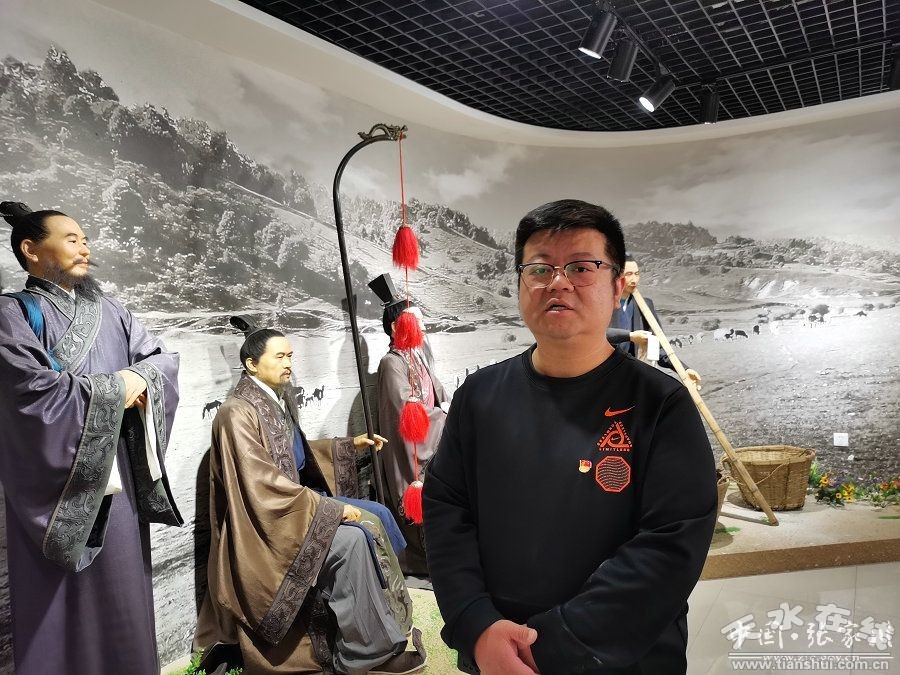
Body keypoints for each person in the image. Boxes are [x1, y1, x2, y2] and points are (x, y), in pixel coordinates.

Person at [424, 200, 717, 674]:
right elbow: (446, 511)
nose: (558, 282)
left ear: (617, 287)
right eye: (540, 268)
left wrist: (549, 648)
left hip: (622, 657)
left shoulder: (662, 403)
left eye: (581, 267)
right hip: (498, 651)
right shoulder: (478, 396)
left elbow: (670, 544)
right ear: (520, 284)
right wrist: (477, 625)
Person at [0, 201, 182, 674]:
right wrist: (117, 388)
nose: (85, 248)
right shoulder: (12, 313)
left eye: (85, 240)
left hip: (118, 477)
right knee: (56, 605)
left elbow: (160, 359)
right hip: (58, 488)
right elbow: (29, 394)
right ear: (31, 250)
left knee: (122, 592)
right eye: (71, 240)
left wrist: (142, 379)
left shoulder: (112, 310)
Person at [195, 321, 426, 674]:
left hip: (294, 505)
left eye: (290, 356)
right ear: (251, 364)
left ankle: (385, 621)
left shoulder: (275, 402)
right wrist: (329, 509)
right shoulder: (235, 414)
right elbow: (259, 486)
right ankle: (362, 656)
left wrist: (347, 445)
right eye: (280, 357)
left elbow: (294, 457)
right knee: (351, 542)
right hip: (264, 526)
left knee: (378, 513)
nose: (289, 363)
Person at [369, 273, 449, 576]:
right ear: (395, 327)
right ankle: (421, 563)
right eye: (418, 322)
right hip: (413, 450)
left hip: (433, 441)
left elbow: (440, 395)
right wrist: (444, 417)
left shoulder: (416, 357)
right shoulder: (392, 363)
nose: (424, 328)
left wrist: (451, 408)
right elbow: (405, 411)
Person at [607, 255, 702, 387]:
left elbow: (657, 348)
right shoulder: (600, 303)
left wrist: (684, 370)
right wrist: (630, 336)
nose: (634, 279)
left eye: (637, 274)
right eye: (629, 274)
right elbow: (594, 335)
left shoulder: (645, 305)